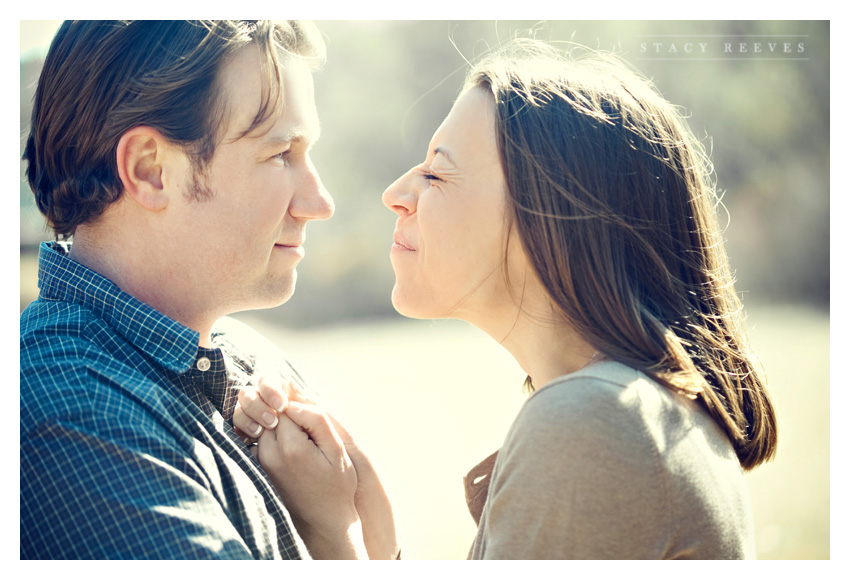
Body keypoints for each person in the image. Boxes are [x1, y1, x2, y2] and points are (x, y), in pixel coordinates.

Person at [234, 39, 778, 559]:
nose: (397, 195)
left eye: (437, 172)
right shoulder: (628, 410)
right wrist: (372, 528)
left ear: (550, 220)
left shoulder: (591, 423)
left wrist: (332, 535)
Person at [20, 20, 397, 560]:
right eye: (280, 154)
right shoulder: (71, 416)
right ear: (151, 171)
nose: (319, 201)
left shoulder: (249, 354)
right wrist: (337, 540)